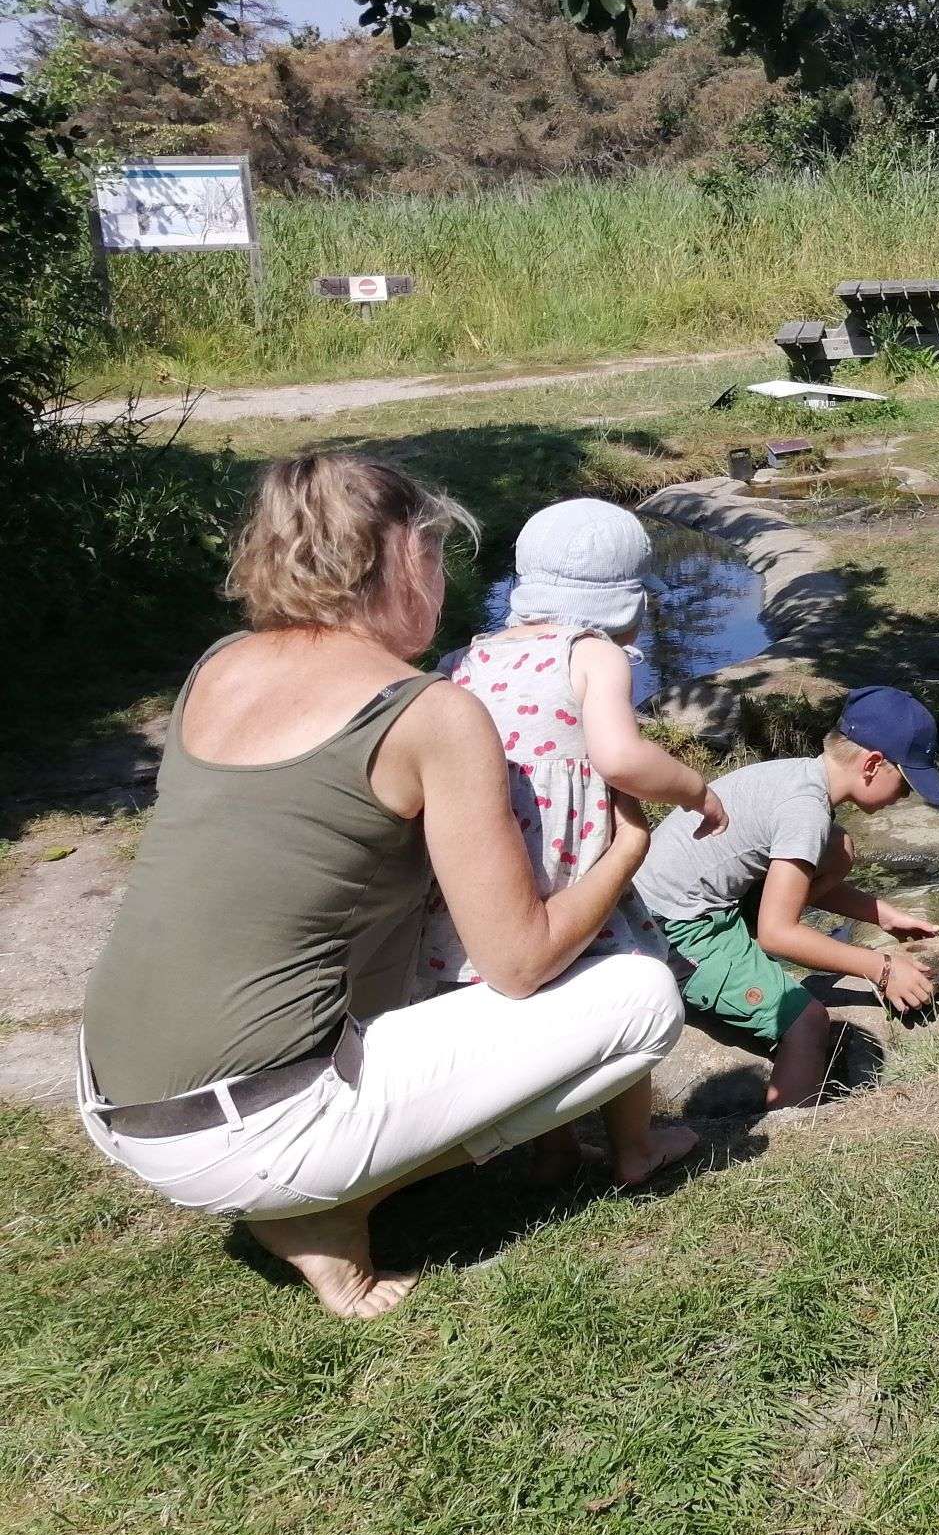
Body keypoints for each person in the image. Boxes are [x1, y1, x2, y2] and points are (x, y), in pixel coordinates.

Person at [77, 453, 685, 1320]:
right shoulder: (426, 709)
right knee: (642, 996)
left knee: (374, 915)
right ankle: (330, 1209)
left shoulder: (219, 664)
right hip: (245, 1135)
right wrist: (623, 852)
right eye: (440, 558)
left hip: (114, 1099)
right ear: (405, 557)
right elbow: (518, 963)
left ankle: (316, 1173)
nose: (443, 584)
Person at [416, 498, 730, 1186]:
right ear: (627, 598)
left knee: (538, 1021)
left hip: (477, 874)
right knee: (620, 992)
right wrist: (695, 789)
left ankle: (551, 1152)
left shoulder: (461, 659)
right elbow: (620, 758)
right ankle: (634, 1150)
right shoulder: (590, 654)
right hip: (568, 868)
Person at [633, 688, 939, 1108]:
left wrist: (881, 915)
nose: (907, 795)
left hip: (684, 902)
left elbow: (799, 877)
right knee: (807, 1023)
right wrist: (882, 968)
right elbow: (777, 935)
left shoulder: (800, 775)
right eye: (906, 781)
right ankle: (794, 1133)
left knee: (839, 848)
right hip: (675, 930)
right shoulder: (805, 810)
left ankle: (740, 962)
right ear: (872, 764)